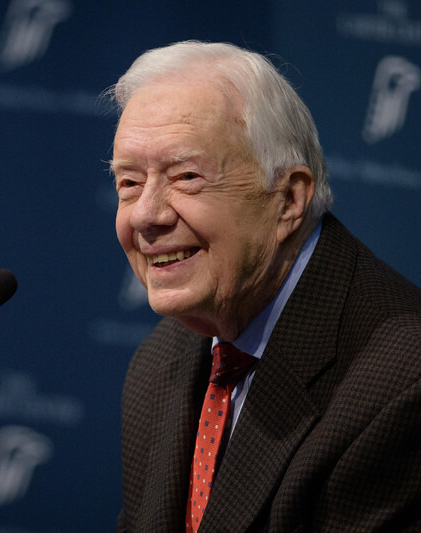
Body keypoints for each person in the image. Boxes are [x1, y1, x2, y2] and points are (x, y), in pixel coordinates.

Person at [109, 40, 421, 532]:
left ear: (288, 199)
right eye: (129, 183)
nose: (146, 215)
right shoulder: (160, 363)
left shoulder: (400, 385)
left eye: (185, 176)